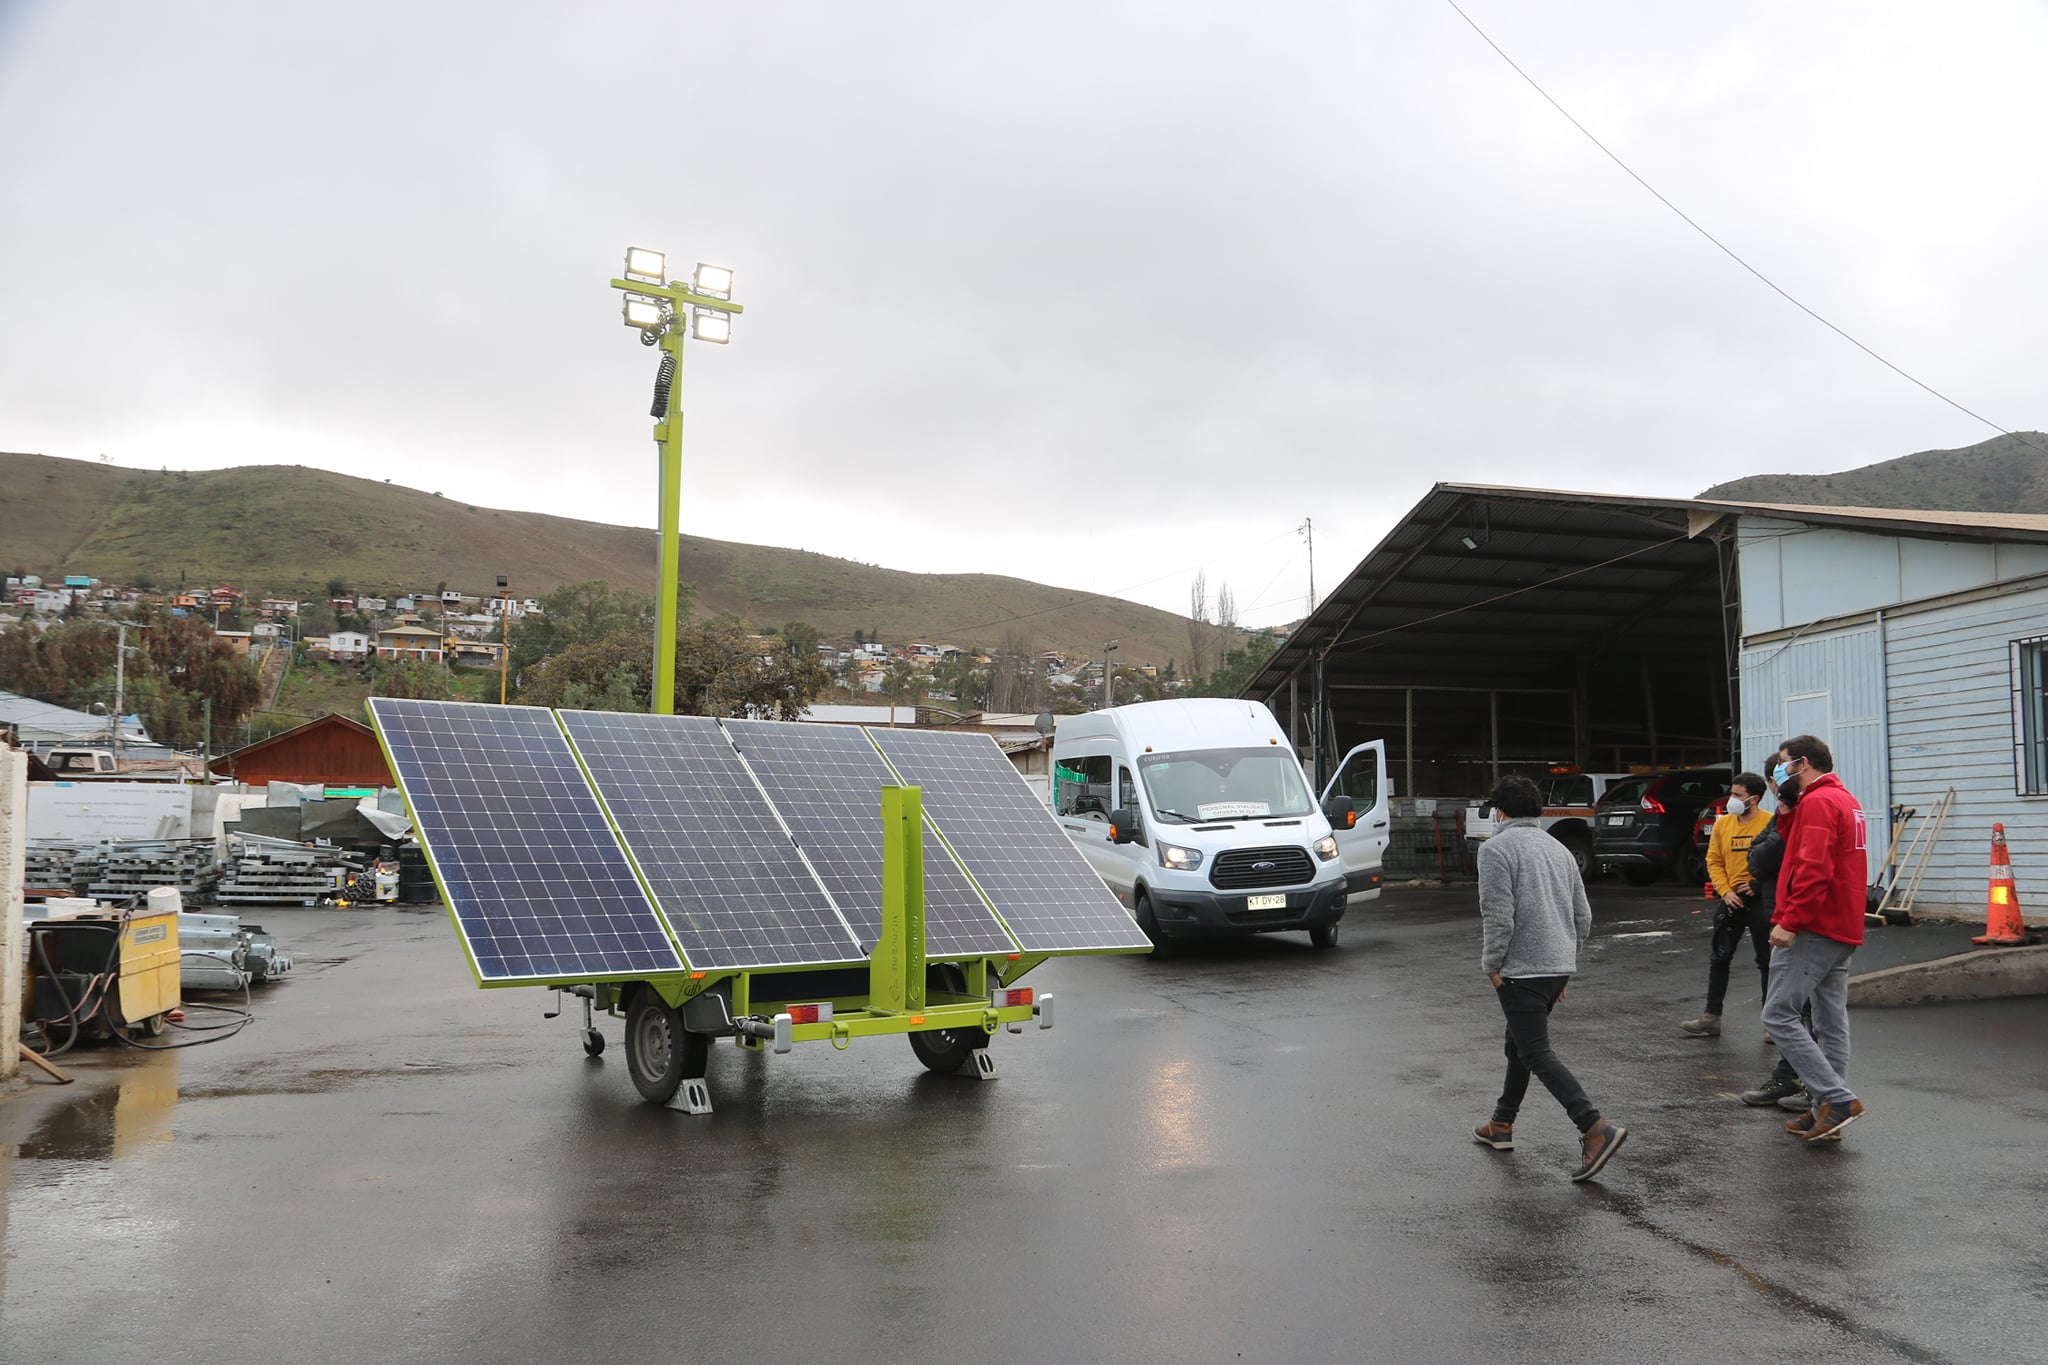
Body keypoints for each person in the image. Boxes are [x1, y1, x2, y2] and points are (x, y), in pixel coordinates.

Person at [1470, 774, 1628, 1182]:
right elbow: (1584, 918)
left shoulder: (1495, 850)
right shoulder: (1558, 848)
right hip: (1557, 966)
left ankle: (1594, 1127)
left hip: (1520, 969)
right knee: (1519, 1045)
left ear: (1499, 811)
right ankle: (1501, 1124)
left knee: (1536, 1052)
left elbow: (1498, 916)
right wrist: (1564, 963)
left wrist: (1492, 966)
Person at [1762, 735, 1869, 1141]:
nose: (1778, 770)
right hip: (1841, 923)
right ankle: (1827, 1110)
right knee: (1829, 1018)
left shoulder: (1820, 802)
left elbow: (1812, 867)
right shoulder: (1842, 799)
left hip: (1815, 926)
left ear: (1802, 763)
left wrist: (1791, 920)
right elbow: (1802, 846)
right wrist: (1786, 807)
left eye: (1784, 763)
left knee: (1778, 1014)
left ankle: (1835, 1098)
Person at [1737, 750, 1813, 1110]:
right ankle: (1791, 1078)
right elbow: (1755, 859)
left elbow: (1770, 859)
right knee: (1795, 1008)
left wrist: (1792, 923)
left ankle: (1814, 1088)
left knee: (1796, 1009)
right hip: (1780, 917)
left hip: (1799, 924)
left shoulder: (1804, 814)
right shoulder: (1782, 819)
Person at [1679, 772, 1773, 1036]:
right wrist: (1725, 891)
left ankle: (1773, 1024)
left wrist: (1757, 884)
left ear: (1753, 799)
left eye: (1737, 795)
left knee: (1766, 962)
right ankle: (1711, 1017)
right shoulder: (1722, 825)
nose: (1732, 799)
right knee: (1719, 957)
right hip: (1731, 901)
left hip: (1760, 901)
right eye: (1732, 793)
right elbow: (1714, 861)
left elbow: (1780, 860)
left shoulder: (1771, 823)